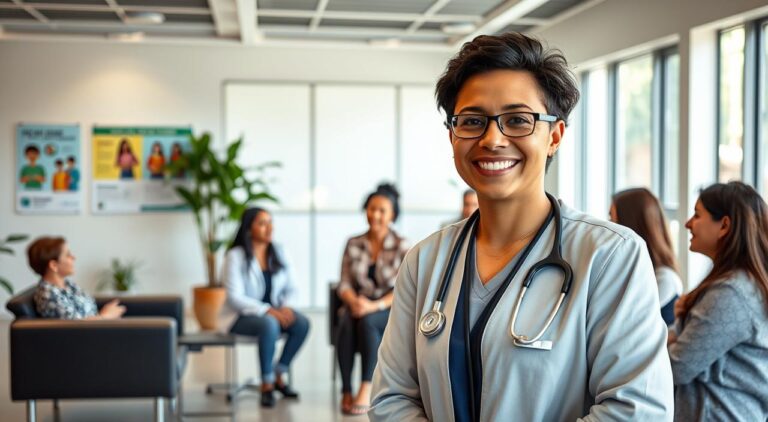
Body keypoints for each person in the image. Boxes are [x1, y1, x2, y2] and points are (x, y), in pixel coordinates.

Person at [370, 32, 673, 421]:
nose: (492, 139)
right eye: (473, 121)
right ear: (453, 136)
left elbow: (636, 411)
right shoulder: (425, 261)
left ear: (555, 136)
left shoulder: (610, 256)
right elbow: (390, 400)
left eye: (517, 120)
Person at [668, 182, 768, 421]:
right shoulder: (735, 284)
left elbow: (677, 367)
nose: (687, 223)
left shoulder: (731, 293)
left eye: (697, 215)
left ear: (724, 225)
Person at [222, 208, 310, 408]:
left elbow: (293, 287)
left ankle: (280, 372)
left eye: (270, 222)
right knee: (269, 324)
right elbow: (234, 297)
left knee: (302, 324)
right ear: (248, 228)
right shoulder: (234, 257)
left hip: (275, 314)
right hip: (241, 317)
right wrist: (268, 310)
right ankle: (267, 384)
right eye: (262, 223)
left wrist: (287, 307)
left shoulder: (279, 251)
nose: (269, 228)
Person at [336, 183, 409, 415]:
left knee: (368, 321)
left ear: (392, 215)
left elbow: (403, 289)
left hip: (387, 307)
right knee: (347, 320)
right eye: (371, 209)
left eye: (382, 211)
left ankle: (366, 387)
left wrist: (372, 306)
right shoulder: (353, 243)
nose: (375, 215)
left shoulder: (402, 245)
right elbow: (344, 282)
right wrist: (353, 301)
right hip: (358, 305)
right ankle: (346, 389)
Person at [610, 187, 683, 324]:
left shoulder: (664, 279)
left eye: (611, 218)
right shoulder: (631, 271)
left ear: (630, 225)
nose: (608, 226)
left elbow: (626, 323)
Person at [28, 236, 125, 320]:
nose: (73, 257)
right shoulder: (48, 295)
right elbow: (75, 326)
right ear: (54, 265)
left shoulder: (68, 284)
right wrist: (106, 316)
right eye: (67, 255)